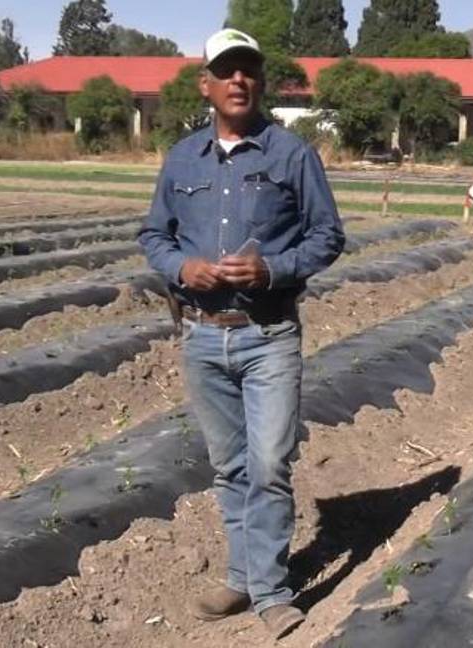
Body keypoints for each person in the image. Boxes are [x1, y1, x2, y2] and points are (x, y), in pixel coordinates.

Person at [137, 28, 345, 640]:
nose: (237, 80)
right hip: (202, 337)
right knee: (229, 467)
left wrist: (272, 269)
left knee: (270, 462)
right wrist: (182, 268)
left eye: (248, 69)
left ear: (261, 82)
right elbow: (154, 236)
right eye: (226, 70)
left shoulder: (291, 154)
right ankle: (241, 576)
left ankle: (273, 592)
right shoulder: (181, 159)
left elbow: (328, 236)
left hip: (268, 333)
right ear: (206, 84)